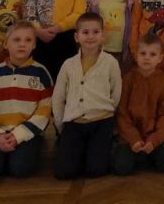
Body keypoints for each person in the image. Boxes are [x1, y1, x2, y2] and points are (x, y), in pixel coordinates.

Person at [0, 21, 53, 181]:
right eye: (16, 40)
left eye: (28, 40)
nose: (22, 44)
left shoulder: (41, 73)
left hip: (26, 133)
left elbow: (45, 109)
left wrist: (19, 135)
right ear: (6, 44)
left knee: (21, 169)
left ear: (34, 45)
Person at [52, 12, 122, 179]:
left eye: (96, 32)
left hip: (101, 121)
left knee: (96, 170)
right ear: (77, 37)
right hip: (74, 122)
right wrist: (61, 124)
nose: (90, 36)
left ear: (103, 36)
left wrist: (108, 113)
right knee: (64, 173)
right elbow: (58, 96)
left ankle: (98, 149)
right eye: (85, 32)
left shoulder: (110, 62)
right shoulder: (68, 64)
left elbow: (116, 91)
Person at [113, 34, 164, 175]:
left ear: (160, 58)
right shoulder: (128, 79)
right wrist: (134, 139)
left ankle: (146, 154)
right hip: (130, 137)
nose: (147, 58)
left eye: (152, 54)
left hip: (153, 135)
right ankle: (137, 154)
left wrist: (154, 140)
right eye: (143, 53)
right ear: (136, 55)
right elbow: (122, 113)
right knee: (121, 167)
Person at [24, 0, 86, 81]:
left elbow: (78, 14)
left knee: (64, 75)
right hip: (41, 38)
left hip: (65, 38)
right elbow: (29, 12)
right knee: (40, 75)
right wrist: (38, 30)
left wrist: (58, 27)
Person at [88, 0, 133, 73]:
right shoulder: (97, 2)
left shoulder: (128, 1)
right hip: (102, 49)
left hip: (122, 50)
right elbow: (91, 24)